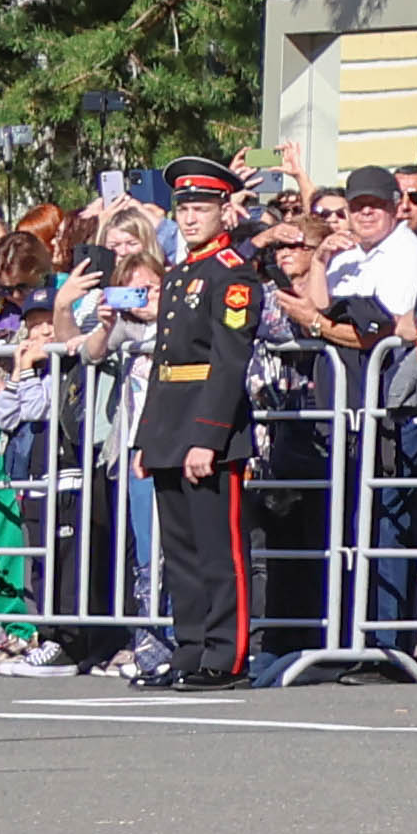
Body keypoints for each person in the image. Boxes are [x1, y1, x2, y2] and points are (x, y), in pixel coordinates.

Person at [133, 173, 277, 690]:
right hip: (171, 421)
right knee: (182, 552)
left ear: (223, 211)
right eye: (183, 209)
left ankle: (225, 655)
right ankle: (190, 647)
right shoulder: (181, 272)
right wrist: (147, 437)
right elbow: (163, 362)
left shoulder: (230, 272)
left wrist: (207, 436)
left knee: (219, 551)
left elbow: (228, 359)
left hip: (207, 425)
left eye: (201, 208)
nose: (190, 218)